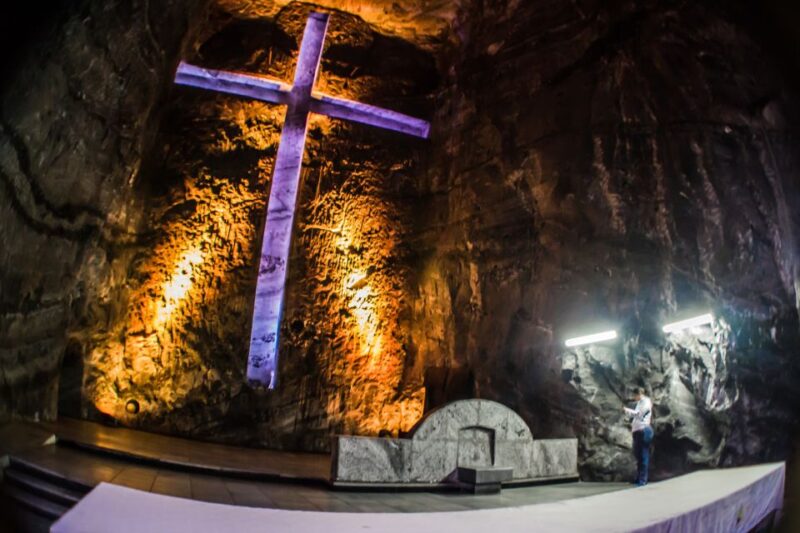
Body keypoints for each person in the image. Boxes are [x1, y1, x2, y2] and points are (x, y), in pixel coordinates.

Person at [624, 386, 653, 486]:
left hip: (644, 430)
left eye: (635, 395)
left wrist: (627, 411)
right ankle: (638, 477)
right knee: (638, 456)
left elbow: (639, 415)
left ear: (639, 394)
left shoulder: (646, 402)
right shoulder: (639, 403)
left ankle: (642, 479)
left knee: (643, 455)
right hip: (637, 431)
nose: (634, 397)